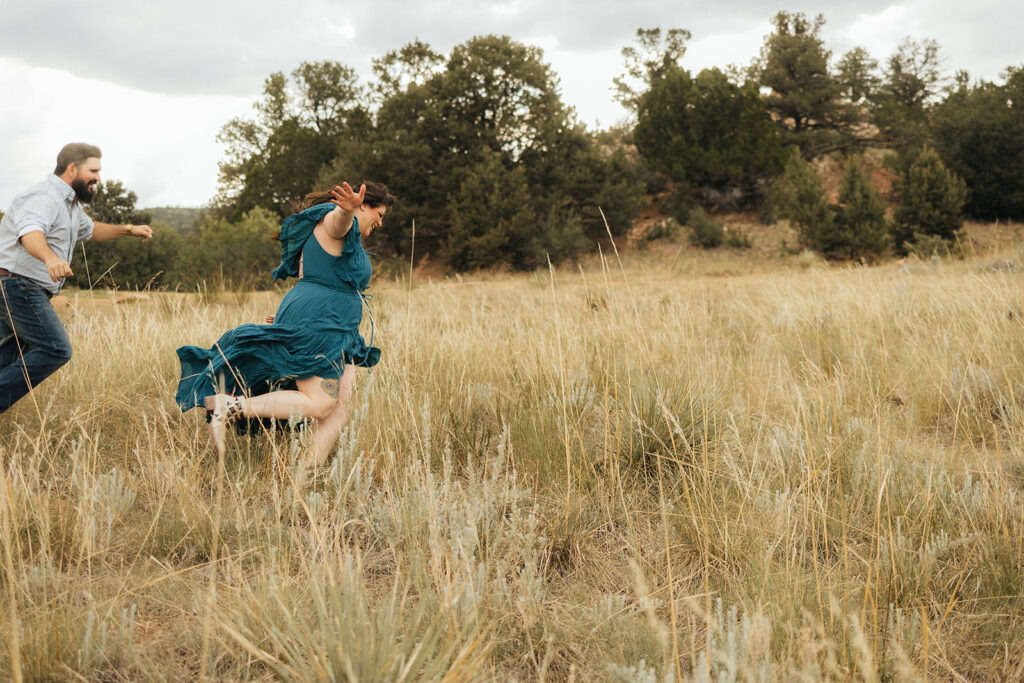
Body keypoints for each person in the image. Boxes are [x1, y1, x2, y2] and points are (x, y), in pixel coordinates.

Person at [174, 181, 395, 465]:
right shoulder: (335, 218)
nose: (380, 222)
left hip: (336, 326)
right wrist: (347, 212)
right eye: (380, 214)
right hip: (323, 322)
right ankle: (233, 406)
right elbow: (337, 224)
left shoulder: (335, 231)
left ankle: (305, 474)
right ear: (364, 204)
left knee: (340, 407)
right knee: (321, 403)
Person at [0, 143, 153, 413]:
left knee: (9, 356)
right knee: (55, 349)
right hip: (17, 283)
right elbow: (30, 233)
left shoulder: (70, 205)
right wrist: (50, 258)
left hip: (22, 287)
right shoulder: (44, 197)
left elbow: (91, 230)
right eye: (93, 170)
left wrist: (129, 230)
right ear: (72, 169)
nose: (98, 177)